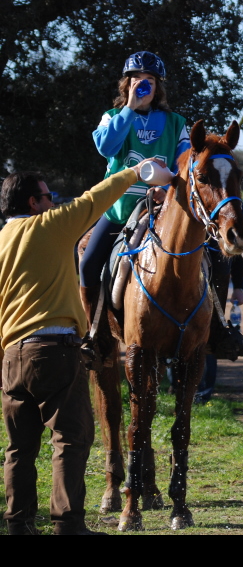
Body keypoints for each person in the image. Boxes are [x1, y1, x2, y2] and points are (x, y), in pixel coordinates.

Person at [0, 161, 153, 535]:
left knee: (19, 448)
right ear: (35, 202)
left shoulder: (1, 239)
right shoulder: (49, 225)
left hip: (11, 355)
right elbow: (95, 199)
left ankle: (18, 524)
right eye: (49, 197)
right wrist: (138, 172)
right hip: (53, 349)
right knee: (70, 438)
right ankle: (67, 524)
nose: (54, 203)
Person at [79, 50, 190, 325]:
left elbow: (186, 163)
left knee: (213, 258)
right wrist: (129, 107)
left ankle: (218, 328)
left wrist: (171, 186)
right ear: (126, 85)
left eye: (149, 80)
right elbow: (107, 147)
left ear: (158, 86)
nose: (142, 85)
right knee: (87, 265)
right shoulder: (111, 116)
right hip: (118, 212)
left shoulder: (177, 123)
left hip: (165, 212)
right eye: (136, 79)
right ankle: (91, 333)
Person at [195, 249, 243, 404]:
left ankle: (203, 394)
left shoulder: (216, 235)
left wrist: (238, 287)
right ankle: (177, 387)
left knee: (210, 336)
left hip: (212, 289)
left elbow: (235, 252)